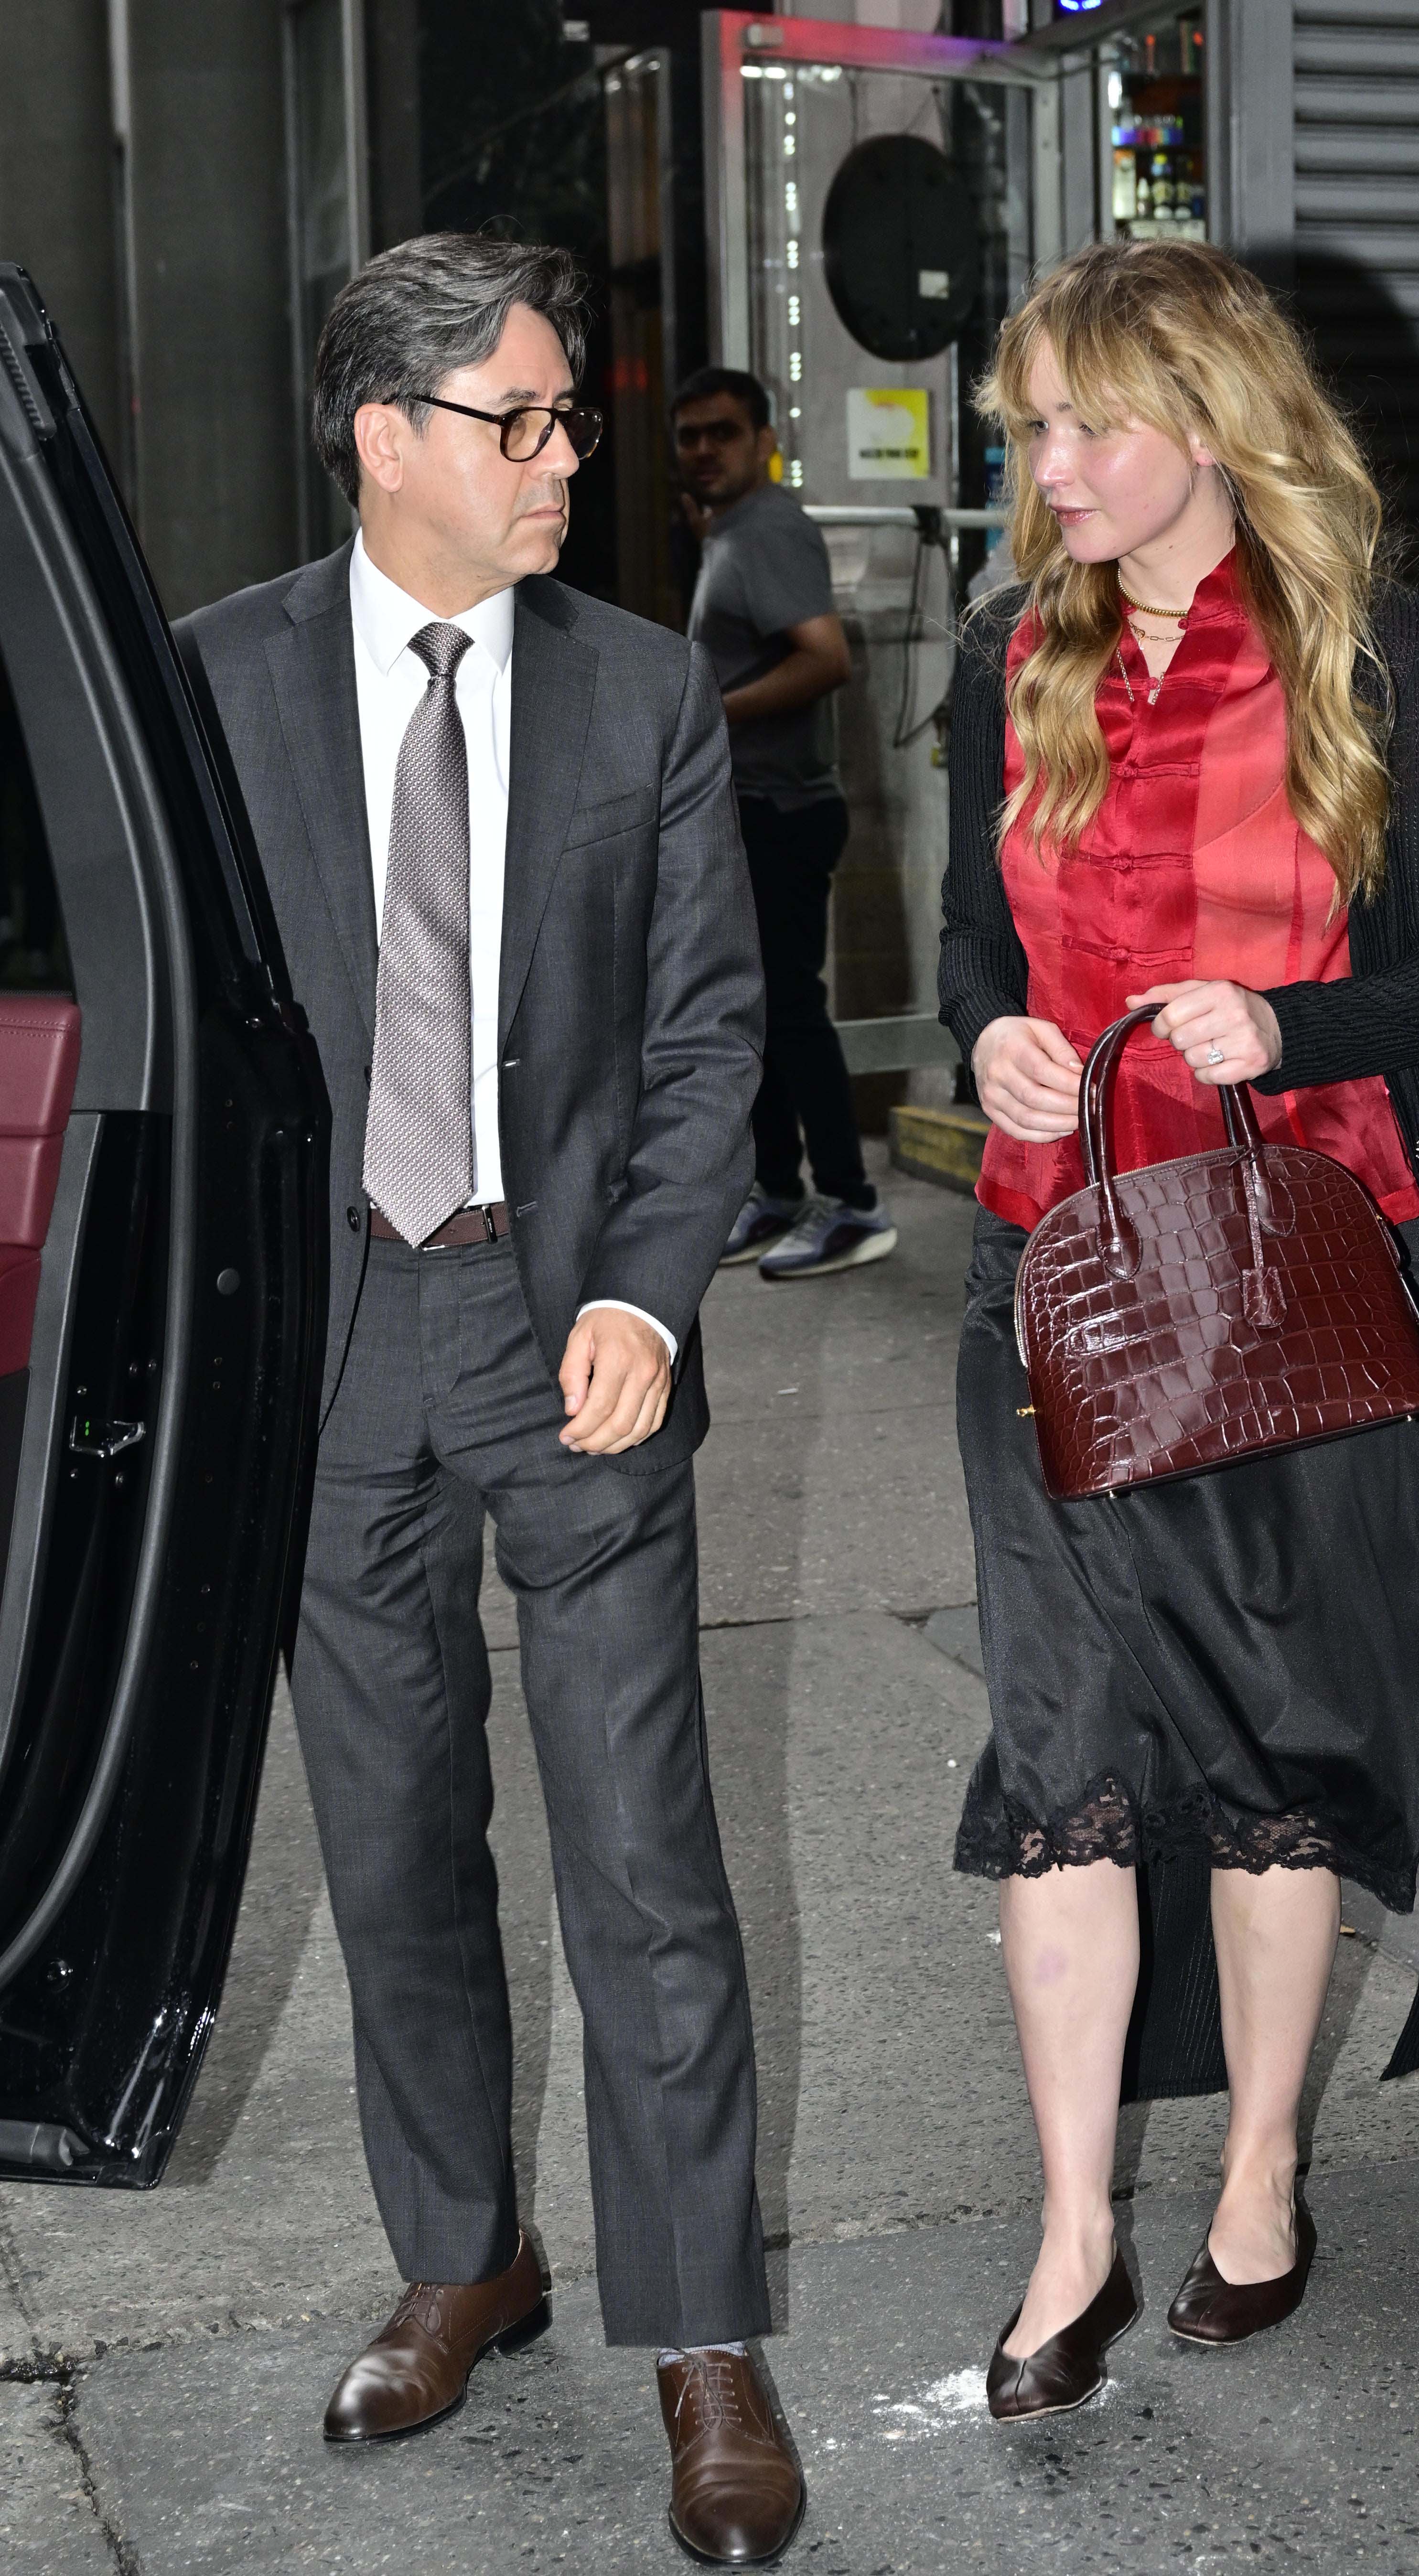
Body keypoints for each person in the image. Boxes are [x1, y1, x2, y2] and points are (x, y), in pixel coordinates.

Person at [177, 236, 804, 2565]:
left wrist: (648, 1286)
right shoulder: (214, 684)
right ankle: (467, 2255)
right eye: (523, 422)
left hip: (571, 1342)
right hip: (330, 1348)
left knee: (641, 1851)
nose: (569, 459)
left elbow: (714, 1034)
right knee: (389, 1838)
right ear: (387, 435)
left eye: (569, 421)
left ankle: (698, 2332)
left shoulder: (643, 693)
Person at [939, 236, 1419, 2415]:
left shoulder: (1378, 658)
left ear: (1208, 418)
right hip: (1048, 1269)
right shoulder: (1009, 653)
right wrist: (989, 1032)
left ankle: (1256, 2177)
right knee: (1060, 1760)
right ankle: (1071, 2226)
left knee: (1275, 1764)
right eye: (1030, 428)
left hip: (1288, 1268)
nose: (1047, 464)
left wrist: (1292, 1016)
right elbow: (981, 940)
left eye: (1080, 422)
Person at [672, 365, 897, 1280]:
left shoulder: (768, 529)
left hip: (784, 810)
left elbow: (825, 659)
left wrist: (708, 715)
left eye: (723, 433)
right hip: (751, 807)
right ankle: (777, 1187)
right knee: (752, 1011)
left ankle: (852, 1204)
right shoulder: (730, 530)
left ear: (765, 438)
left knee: (791, 1012)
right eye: (689, 436)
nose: (703, 450)